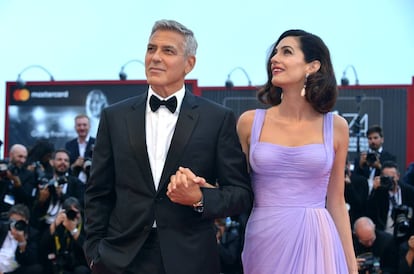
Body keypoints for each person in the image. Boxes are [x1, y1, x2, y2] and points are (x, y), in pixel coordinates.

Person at [84, 19, 253, 274]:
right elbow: (98, 192)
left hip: (190, 258)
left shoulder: (217, 118)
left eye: (168, 51)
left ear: (189, 64)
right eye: (151, 49)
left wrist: (199, 198)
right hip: (120, 259)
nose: (155, 57)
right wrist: (95, 253)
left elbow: (240, 194)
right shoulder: (114, 117)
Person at [237, 29, 357, 273]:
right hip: (265, 240)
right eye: (275, 52)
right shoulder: (249, 123)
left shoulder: (336, 127)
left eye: (287, 52)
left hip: (318, 239)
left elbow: (336, 202)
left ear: (312, 66)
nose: (274, 58)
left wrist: (352, 267)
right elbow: (235, 189)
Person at [39, 197, 89, 274]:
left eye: (76, 213)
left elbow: (87, 249)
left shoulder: (86, 225)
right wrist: (54, 224)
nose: (74, 216)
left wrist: (73, 231)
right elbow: (43, 245)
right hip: (61, 261)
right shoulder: (61, 224)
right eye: (71, 213)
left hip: (78, 263)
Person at [366, 161, 414, 240]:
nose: (390, 181)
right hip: (385, 236)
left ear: (398, 176)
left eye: (392, 178)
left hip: (406, 235)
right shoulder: (378, 193)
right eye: (386, 178)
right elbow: (369, 214)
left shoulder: (409, 191)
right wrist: (374, 190)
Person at [353, 125, 397, 195]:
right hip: (364, 194)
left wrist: (379, 166)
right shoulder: (361, 158)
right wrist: (360, 166)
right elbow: (354, 179)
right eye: (370, 138)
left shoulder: (390, 158)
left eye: (375, 138)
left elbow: (392, 178)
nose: (372, 141)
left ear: (382, 139)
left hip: (382, 193)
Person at [0, 204, 43, 274]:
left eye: (19, 222)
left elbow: (31, 260)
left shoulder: (32, 234)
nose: (15, 224)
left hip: (14, 269)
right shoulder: (2, 227)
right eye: (12, 221)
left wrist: (22, 242)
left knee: (37, 268)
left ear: (26, 222)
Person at [65, 114, 96, 184]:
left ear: (89, 126)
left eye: (84, 125)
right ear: (75, 127)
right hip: (74, 184)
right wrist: (74, 165)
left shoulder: (97, 143)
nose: (82, 128)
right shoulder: (69, 145)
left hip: (93, 184)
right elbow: (65, 168)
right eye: (79, 125)